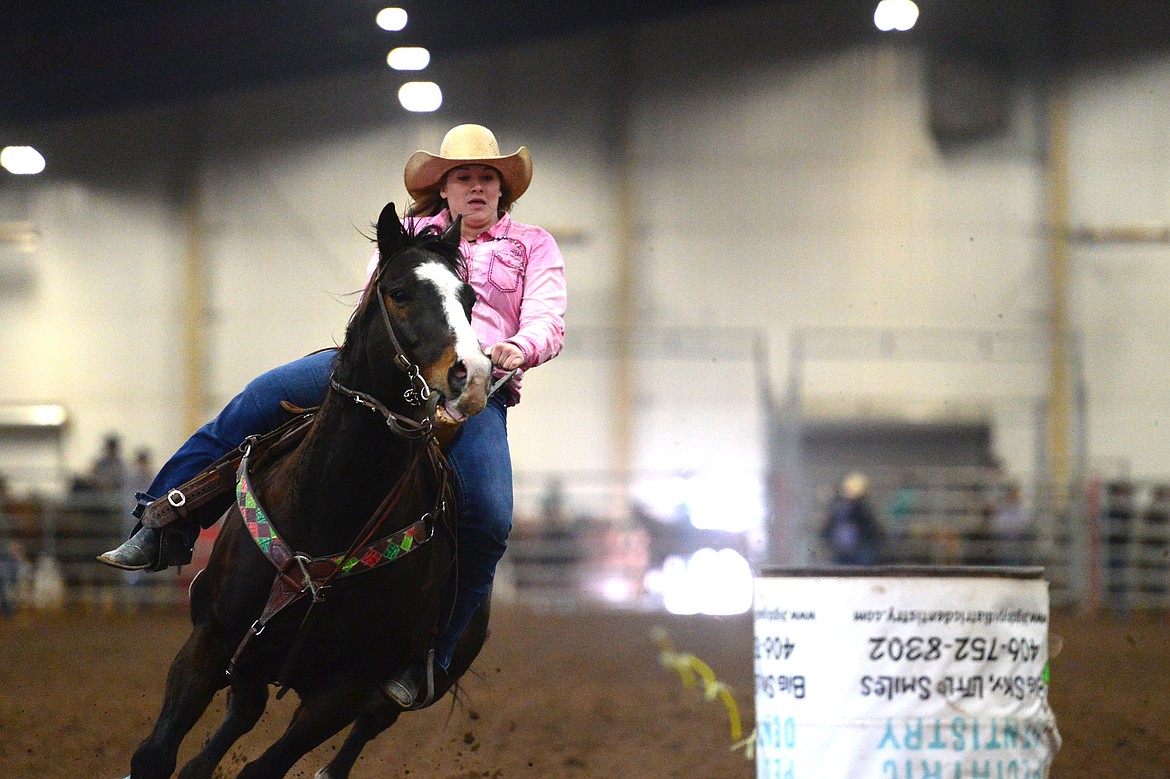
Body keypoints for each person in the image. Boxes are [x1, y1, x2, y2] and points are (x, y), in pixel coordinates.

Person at [98, 124, 567, 707]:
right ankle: (165, 518)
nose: (476, 186)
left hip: (474, 390)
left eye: (487, 177)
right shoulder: (411, 237)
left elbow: (549, 317)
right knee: (262, 397)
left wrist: (518, 349)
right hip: (380, 367)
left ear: (503, 190)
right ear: (443, 189)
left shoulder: (533, 245)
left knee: (489, 517)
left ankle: (435, 655)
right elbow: (375, 305)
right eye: (463, 176)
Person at [822, 472, 883, 566]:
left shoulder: (860, 509)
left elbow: (871, 530)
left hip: (858, 552)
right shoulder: (840, 508)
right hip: (845, 552)